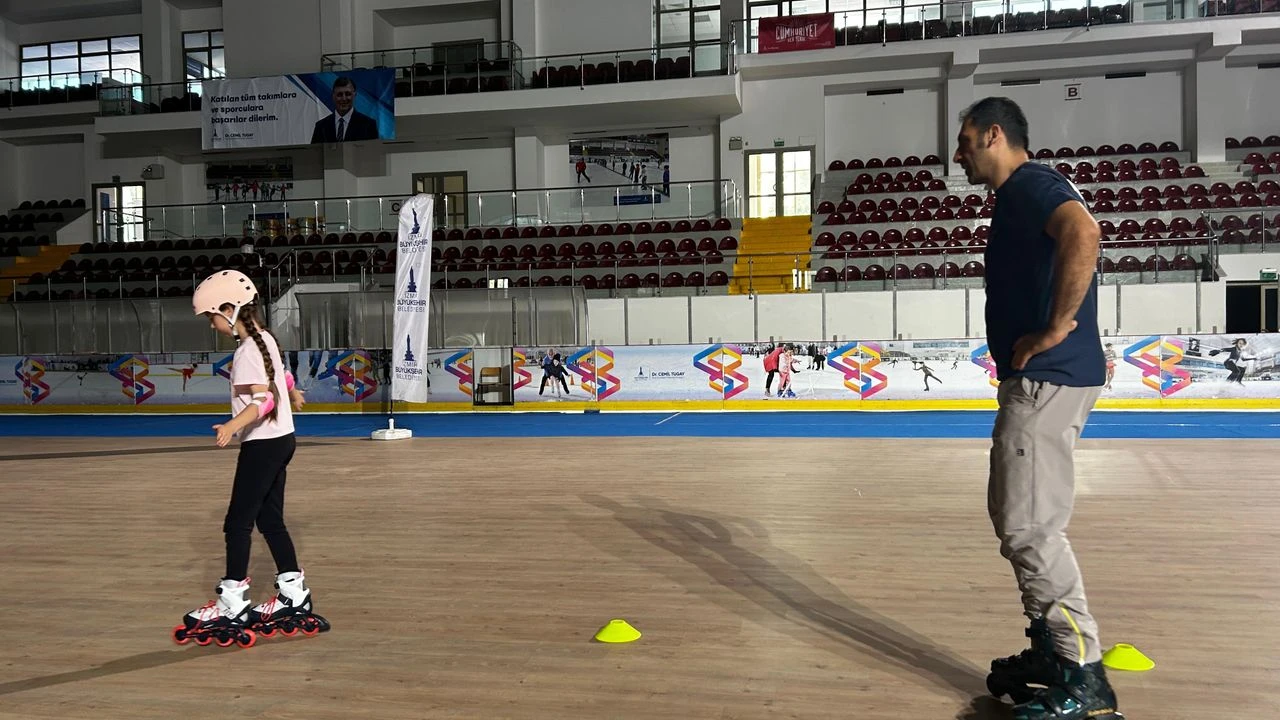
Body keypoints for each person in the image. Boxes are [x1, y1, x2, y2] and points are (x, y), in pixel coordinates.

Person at [953, 97, 1121, 720]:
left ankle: (1084, 674)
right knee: (1017, 516)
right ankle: (1053, 651)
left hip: (1047, 378)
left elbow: (1084, 232)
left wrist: (1056, 327)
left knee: (1030, 527)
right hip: (1047, 381)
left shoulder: (1029, 186)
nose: (959, 152)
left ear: (995, 135)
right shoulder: (1025, 191)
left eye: (966, 139)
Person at [175, 269, 325, 647]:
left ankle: (232, 604)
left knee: (236, 523)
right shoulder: (266, 339)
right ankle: (294, 591)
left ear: (230, 309)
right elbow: (281, 378)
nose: (212, 326)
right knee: (270, 518)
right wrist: (295, 393)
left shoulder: (245, 353)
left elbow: (263, 399)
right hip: (283, 440)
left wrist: (231, 424)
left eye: (211, 316)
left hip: (262, 443)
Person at [311, 76, 379, 144]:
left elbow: (374, 153)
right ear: (333, 96)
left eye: (348, 94)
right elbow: (313, 153)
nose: (344, 98)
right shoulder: (321, 126)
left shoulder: (368, 125)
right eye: (339, 95)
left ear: (355, 94)